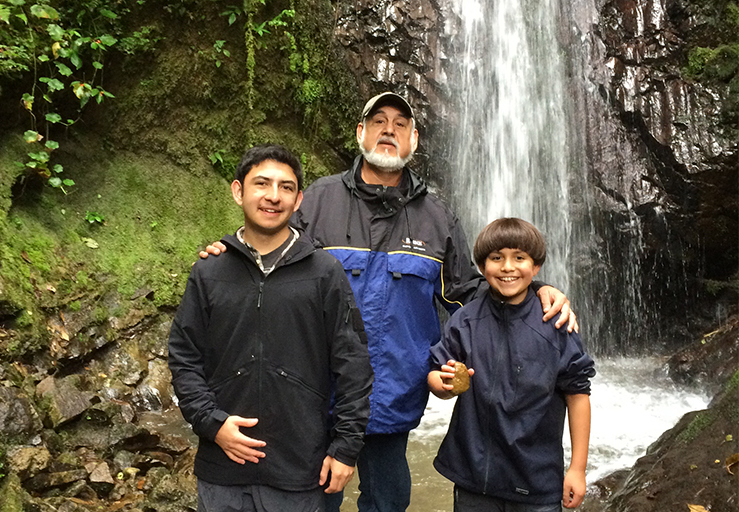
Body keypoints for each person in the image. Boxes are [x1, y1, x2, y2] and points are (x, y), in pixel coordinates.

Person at [200, 93, 577, 512]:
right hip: (313, 395)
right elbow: (269, 260)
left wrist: (538, 291)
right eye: (378, 121)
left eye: (400, 125)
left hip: (394, 394)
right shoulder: (319, 202)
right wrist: (228, 255)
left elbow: (470, 294)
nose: (388, 131)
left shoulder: (437, 217)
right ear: (360, 133)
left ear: (413, 141)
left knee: (387, 503)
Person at [169, 144, 374, 512]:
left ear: (298, 200)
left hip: (298, 470)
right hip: (222, 470)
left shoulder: (324, 273)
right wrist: (212, 424)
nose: (273, 196)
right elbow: (184, 358)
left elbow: (353, 368)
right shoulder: (209, 271)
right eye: (262, 184)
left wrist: (345, 449)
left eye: (286, 187)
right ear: (238, 191)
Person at [428, 217, 595, 511]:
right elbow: (436, 372)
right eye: (496, 258)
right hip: (475, 478)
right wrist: (443, 385)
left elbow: (578, 394)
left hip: (536, 480)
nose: (507, 267)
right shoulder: (466, 320)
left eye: (519, 258)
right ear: (481, 267)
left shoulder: (556, 324)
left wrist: (577, 469)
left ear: (536, 266)